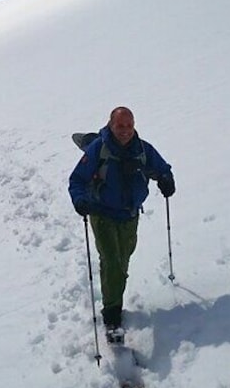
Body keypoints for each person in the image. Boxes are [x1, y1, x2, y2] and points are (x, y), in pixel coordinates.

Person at [68, 106, 175, 339]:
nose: (125, 130)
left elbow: (161, 168)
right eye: (120, 126)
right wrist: (79, 200)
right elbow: (77, 179)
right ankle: (112, 317)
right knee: (113, 263)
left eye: (129, 125)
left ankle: (112, 290)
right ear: (110, 125)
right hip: (102, 214)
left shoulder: (142, 149)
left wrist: (166, 180)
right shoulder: (99, 149)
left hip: (130, 215)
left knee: (123, 258)